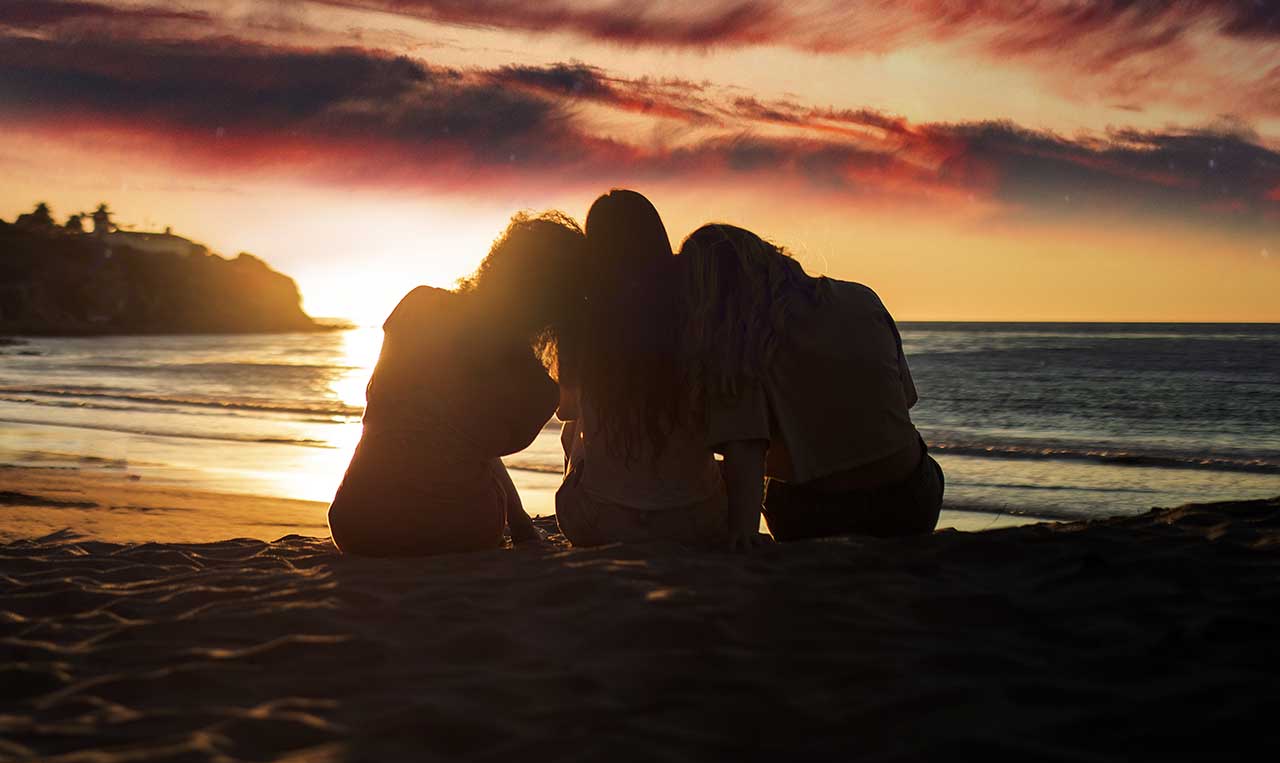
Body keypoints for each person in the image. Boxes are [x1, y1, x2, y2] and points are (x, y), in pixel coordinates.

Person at [328, 213, 581, 556]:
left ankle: (521, 523)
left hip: (356, 523)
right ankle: (522, 525)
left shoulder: (418, 306)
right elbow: (482, 447)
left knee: (450, 439)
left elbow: (400, 409)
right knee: (465, 451)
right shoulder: (536, 387)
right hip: (453, 530)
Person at [679, 223, 943, 547]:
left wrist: (742, 536)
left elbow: (746, 456)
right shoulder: (863, 298)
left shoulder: (740, 345)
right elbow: (905, 401)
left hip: (818, 517)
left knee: (732, 477)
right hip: (912, 500)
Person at [552, 190, 727, 547]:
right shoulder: (696, 313)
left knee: (571, 431)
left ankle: (607, 490)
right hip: (697, 522)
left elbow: (566, 408)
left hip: (602, 523)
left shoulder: (583, 318)